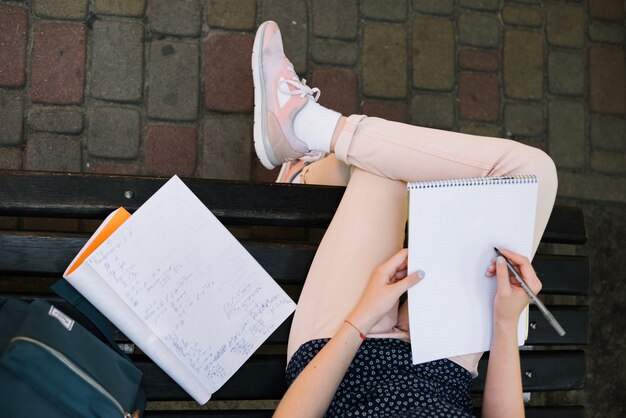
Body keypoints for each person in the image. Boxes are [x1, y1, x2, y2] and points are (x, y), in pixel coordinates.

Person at [251, 21, 557, 418]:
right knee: (533, 174)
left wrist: (361, 318)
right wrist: (503, 322)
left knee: (382, 170)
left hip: (344, 365)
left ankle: (306, 136)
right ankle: (306, 145)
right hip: (446, 362)